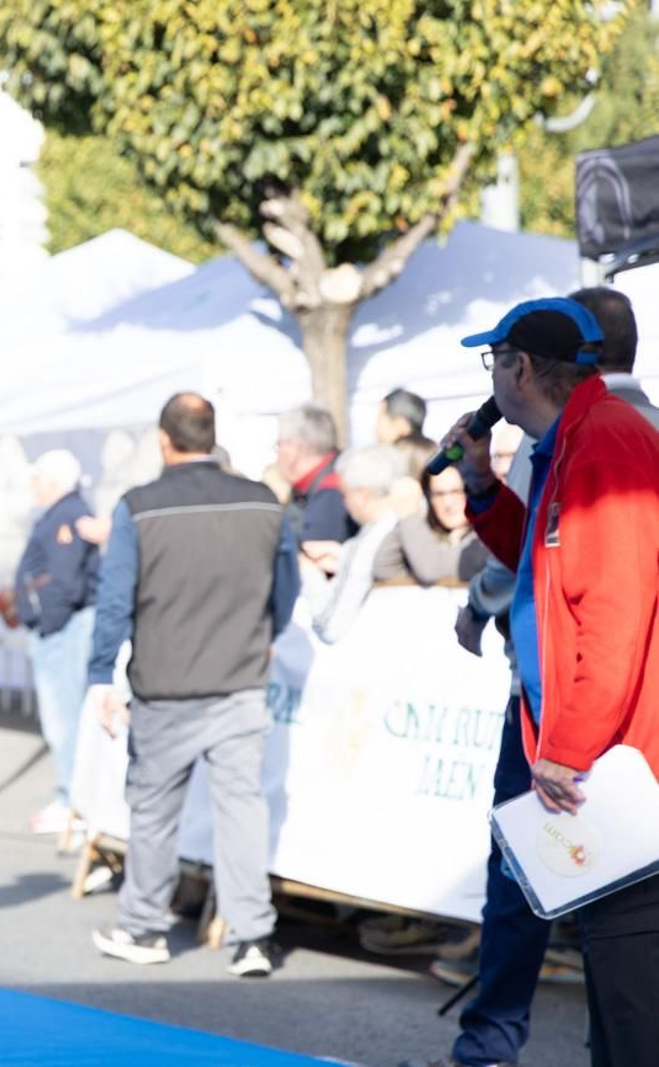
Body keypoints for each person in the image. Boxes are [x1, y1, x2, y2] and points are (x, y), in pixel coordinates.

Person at [407, 288, 659, 1067]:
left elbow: (615, 609)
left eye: (493, 361)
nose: (490, 379)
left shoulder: (607, 439)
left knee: (626, 966)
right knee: (605, 958)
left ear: (520, 367)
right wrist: (481, 485)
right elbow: (549, 568)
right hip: (568, 731)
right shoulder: (569, 438)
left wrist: (568, 747)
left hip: (606, 749)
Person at [86, 393, 299, 979]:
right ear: (211, 434)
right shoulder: (263, 501)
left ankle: (144, 927)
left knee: (154, 812)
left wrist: (100, 675)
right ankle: (252, 938)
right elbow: (286, 589)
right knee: (241, 811)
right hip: (240, 682)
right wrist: (266, 632)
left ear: (163, 439)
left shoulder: (139, 506)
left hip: (165, 685)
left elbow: (114, 602)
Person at [13, 448, 100, 835]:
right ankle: (73, 799)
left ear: (51, 482)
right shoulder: (66, 512)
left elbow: (65, 584)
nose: (31, 486)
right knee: (65, 718)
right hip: (60, 630)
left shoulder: (66, 514)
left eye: (36, 479)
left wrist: (46, 624)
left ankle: (72, 802)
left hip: (62, 633)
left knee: (64, 720)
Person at [298, 446, 401, 643]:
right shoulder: (407, 523)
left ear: (363, 495)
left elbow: (329, 625)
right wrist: (342, 555)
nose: (344, 504)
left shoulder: (367, 541)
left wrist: (308, 571)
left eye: (345, 495)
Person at [372, 466, 487, 586]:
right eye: (438, 494)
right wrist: (410, 514)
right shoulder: (426, 531)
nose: (447, 503)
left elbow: (433, 570)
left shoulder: (488, 538)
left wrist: (409, 516)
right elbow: (384, 569)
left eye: (457, 492)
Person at [274, 404, 356, 570]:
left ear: (295, 449)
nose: (277, 453)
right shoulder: (317, 483)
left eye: (279, 445)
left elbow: (314, 562)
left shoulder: (331, 491)